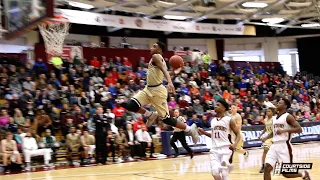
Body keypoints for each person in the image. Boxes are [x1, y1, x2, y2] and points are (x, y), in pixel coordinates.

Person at [122, 42, 199, 144]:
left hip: (158, 92)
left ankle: (190, 129)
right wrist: (176, 71)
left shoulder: (156, 56)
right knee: (131, 105)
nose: (151, 48)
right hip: (148, 89)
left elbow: (163, 69)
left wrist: (170, 82)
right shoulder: (157, 60)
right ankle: (150, 115)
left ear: (160, 50)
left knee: (167, 120)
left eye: (154, 46)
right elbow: (164, 72)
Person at [262, 99, 311, 180]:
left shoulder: (288, 117)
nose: (278, 104)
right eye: (278, 102)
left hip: (284, 146)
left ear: (285, 106)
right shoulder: (274, 118)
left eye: (280, 103)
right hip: (274, 146)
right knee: (267, 168)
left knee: (286, 174)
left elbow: (299, 129)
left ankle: (303, 174)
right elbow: (274, 132)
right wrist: (266, 137)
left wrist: (284, 131)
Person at [198, 99, 241, 180]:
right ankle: (228, 167)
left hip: (225, 149)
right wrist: (204, 133)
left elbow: (238, 134)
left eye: (218, 105)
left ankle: (227, 168)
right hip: (214, 149)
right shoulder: (213, 121)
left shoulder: (229, 120)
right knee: (215, 173)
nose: (215, 106)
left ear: (224, 108)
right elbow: (214, 136)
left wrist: (235, 144)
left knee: (224, 174)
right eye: (215, 105)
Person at [258, 107, 275, 173]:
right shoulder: (265, 119)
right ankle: (263, 166)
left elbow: (274, 131)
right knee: (265, 150)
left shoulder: (274, 119)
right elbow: (265, 128)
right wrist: (261, 135)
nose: (267, 112)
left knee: (275, 152)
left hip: (274, 136)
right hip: (268, 137)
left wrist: (266, 138)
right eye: (267, 111)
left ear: (272, 113)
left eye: (269, 111)